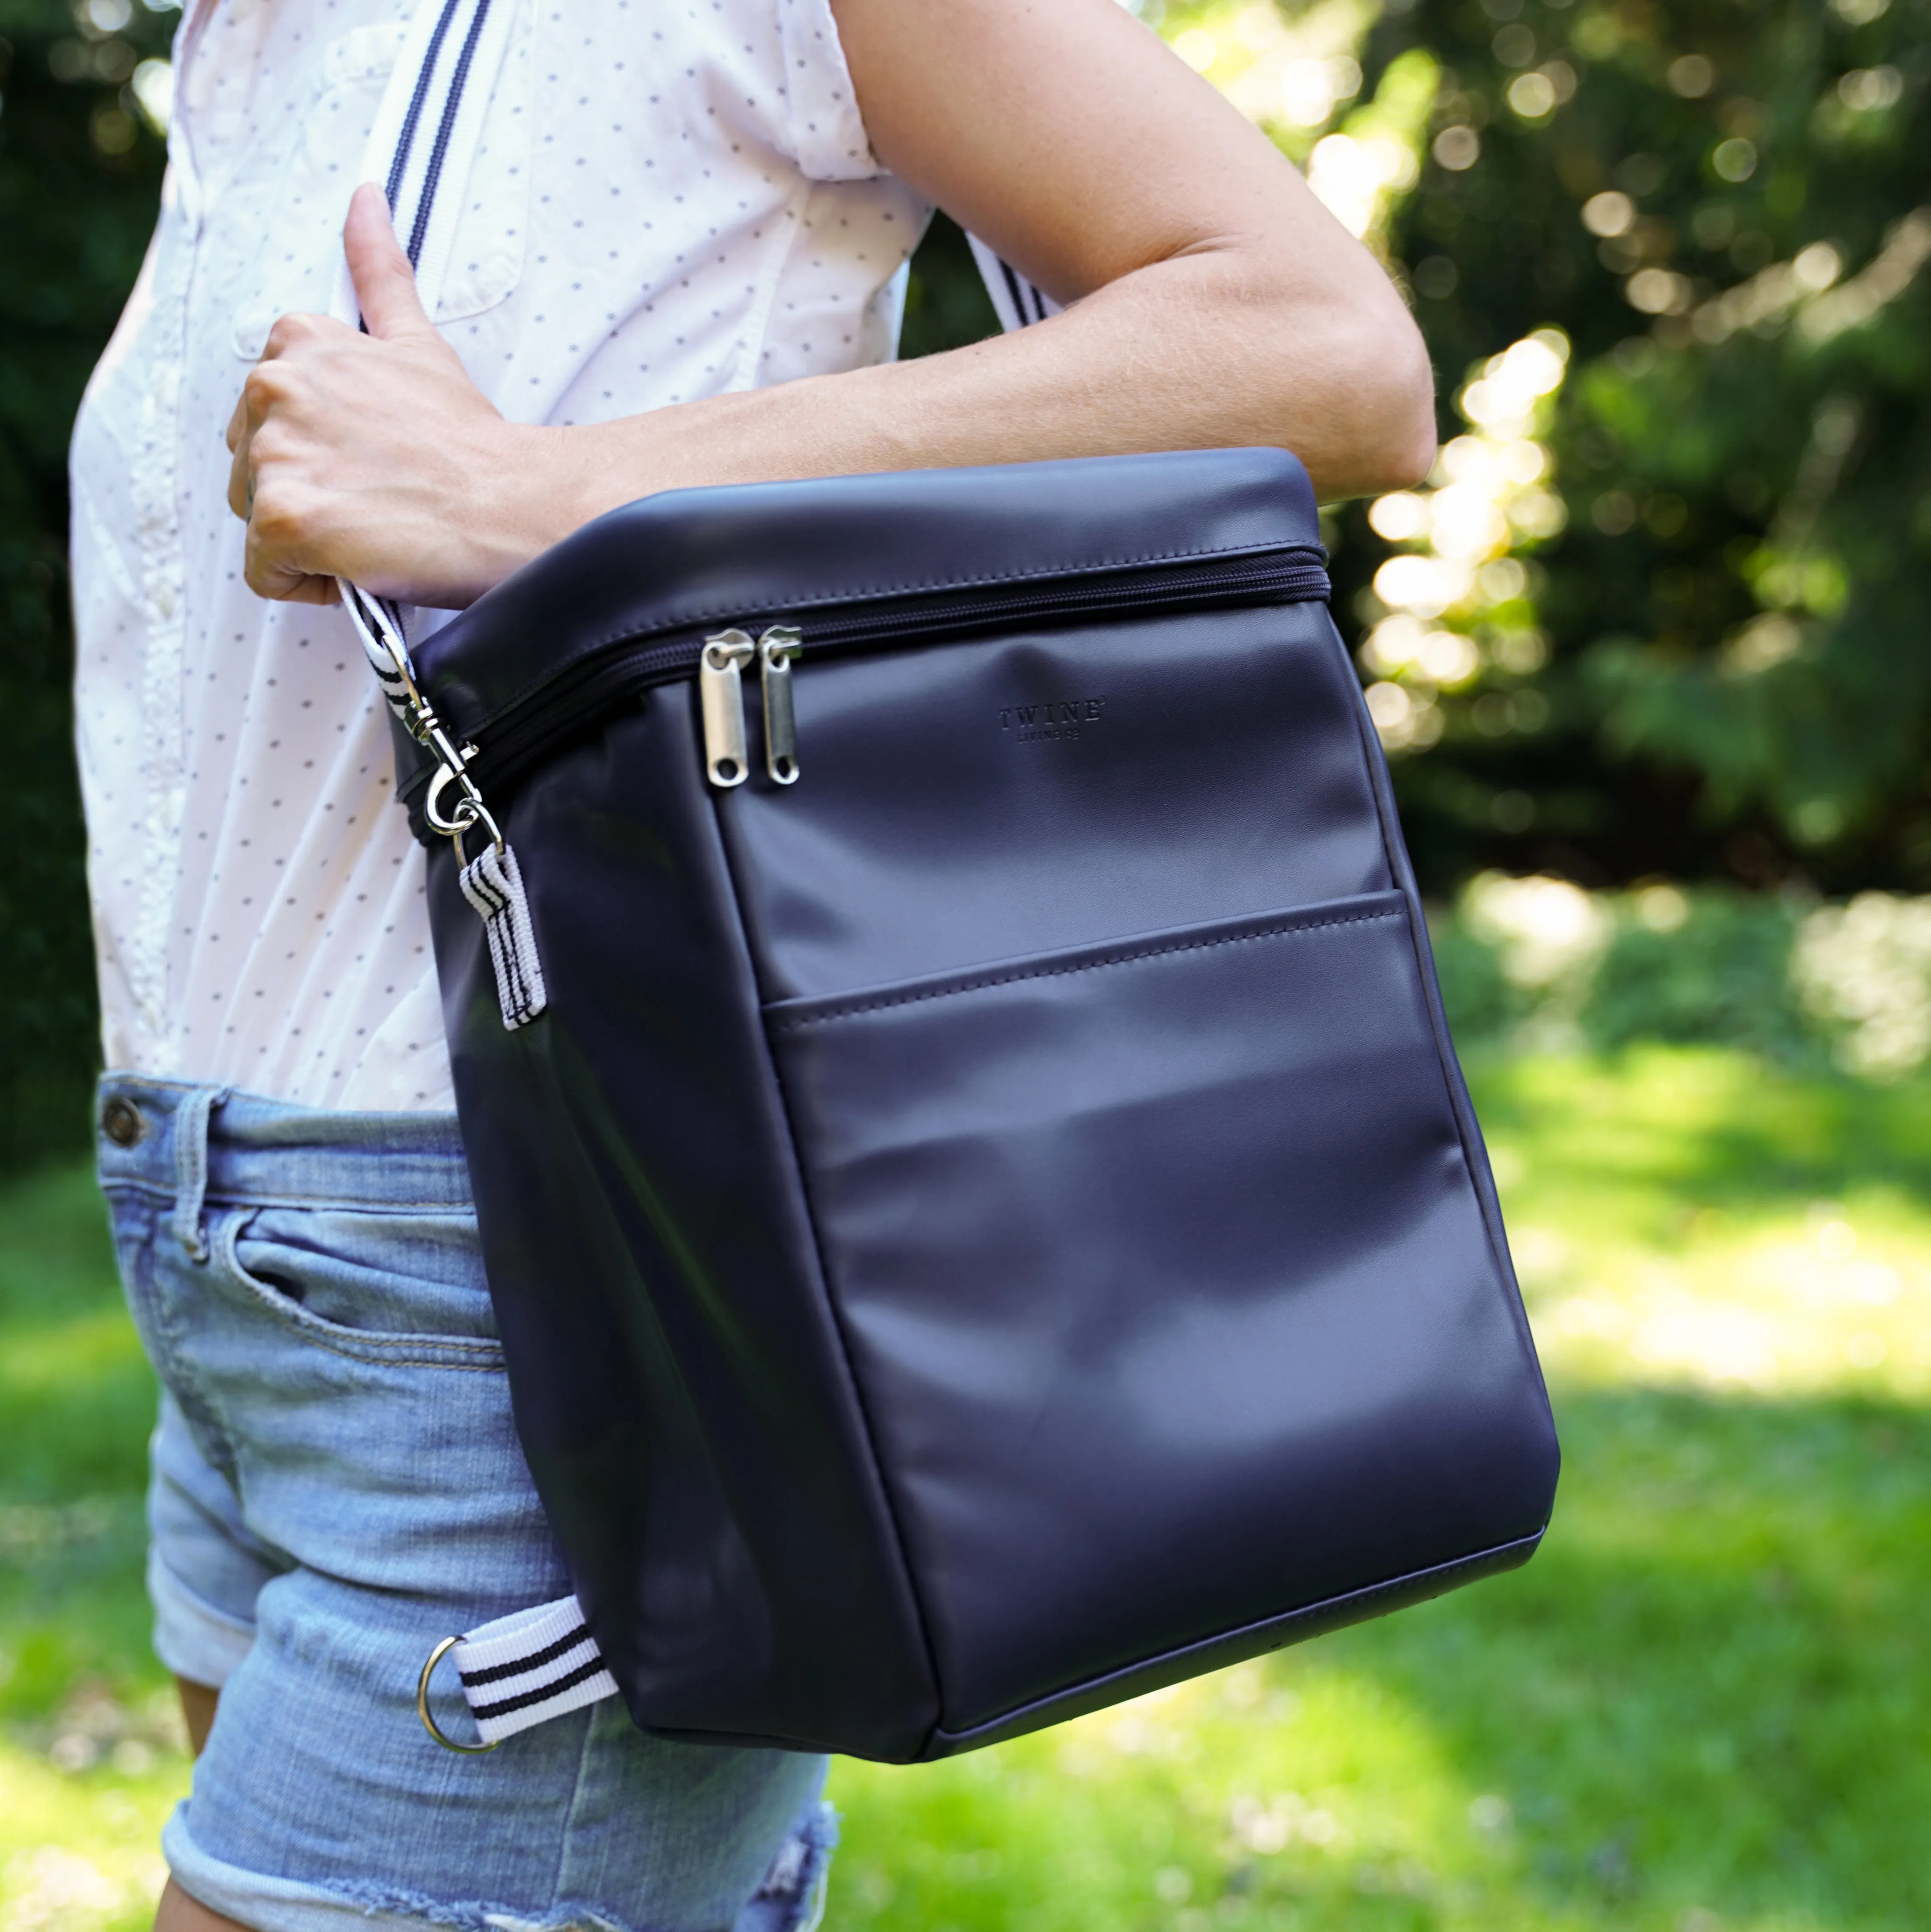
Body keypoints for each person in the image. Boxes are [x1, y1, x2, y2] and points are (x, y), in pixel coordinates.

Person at [76, 0, 1436, 1927]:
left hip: (529, 1284)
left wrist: (550, 494)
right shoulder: (246, 36)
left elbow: (1320, 351)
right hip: (237, 1245)